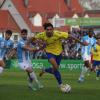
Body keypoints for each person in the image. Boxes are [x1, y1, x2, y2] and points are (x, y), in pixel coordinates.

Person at [34, 22, 79, 91]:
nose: (49, 31)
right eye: (47, 29)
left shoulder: (57, 34)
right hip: (49, 53)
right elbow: (34, 38)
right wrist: (41, 43)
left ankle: (45, 70)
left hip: (59, 53)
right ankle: (61, 85)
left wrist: (81, 43)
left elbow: (70, 36)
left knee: (54, 70)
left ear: (53, 29)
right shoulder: (42, 35)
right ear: (45, 30)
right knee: (56, 68)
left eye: (50, 29)